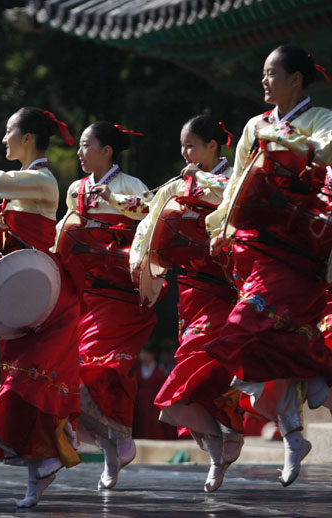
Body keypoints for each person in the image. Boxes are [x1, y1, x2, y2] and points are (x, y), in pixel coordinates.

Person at [205, 45, 332, 487]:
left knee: (248, 329)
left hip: (300, 247)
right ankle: (297, 427)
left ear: (295, 79)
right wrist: (218, 226)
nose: (263, 81)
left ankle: (313, 379)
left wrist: (292, 143)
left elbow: (328, 150)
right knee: (259, 342)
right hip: (258, 245)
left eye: (271, 73)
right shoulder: (255, 126)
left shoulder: (321, 120)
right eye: (262, 74)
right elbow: (236, 184)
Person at [0, 107, 81, 508]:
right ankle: (38, 476)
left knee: (26, 387)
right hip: (22, 301)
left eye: (8, 132)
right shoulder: (25, 183)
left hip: (47, 303)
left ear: (28, 138)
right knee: (20, 388)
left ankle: (49, 458)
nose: (3, 139)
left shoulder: (42, 181)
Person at [130, 114, 243, 492]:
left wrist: (193, 183)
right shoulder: (181, 183)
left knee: (196, 375)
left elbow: (231, 199)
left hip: (226, 289)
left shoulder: (233, 179)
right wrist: (140, 263)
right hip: (190, 292)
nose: (184, 153)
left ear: (213, 146)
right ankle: (219, 451)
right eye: (183, 146)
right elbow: (150, 221)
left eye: (191, 145)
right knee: (181, 393)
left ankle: (230, 439)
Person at [57, 120, 153, 489]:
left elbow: (148, 224)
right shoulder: (75, 189)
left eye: (85, 145)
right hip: (88, 296)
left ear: (107, 151)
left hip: (123, 296)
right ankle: (115, 451)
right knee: (86, 373)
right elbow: (65, 232)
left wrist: (113, 202)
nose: (80, 153)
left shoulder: (132, 187)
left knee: (108, 370)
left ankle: (118, 446)